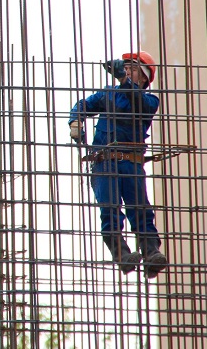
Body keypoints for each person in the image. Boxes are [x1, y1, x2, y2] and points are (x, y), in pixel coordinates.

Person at [68, 51, 168, 278]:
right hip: (105, 163)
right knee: (110, 210)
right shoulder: (108, 94)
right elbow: (84, 104)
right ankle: (122, 255)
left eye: (132, 69)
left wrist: (124, 79)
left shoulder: (149, 100)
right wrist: (76, 119)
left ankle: (151, 253)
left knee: (140, 209)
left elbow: (138, 100)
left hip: (131, 163)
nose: (126, 71)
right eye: (125, 68)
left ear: (144, 78)